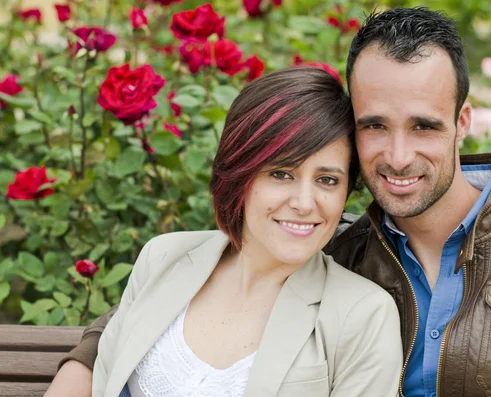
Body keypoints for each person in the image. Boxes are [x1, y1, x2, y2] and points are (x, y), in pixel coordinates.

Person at [49, 6, 491, 397]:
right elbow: (130, 323)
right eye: (374, 125)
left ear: (462, 124)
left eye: (425, 127)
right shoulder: (329, 243)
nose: (399, 155)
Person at [47, 67, 403, 397]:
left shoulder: (363, 315)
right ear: (241, 173)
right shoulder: (163, 258)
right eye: (281, 173)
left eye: (327, 180)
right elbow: (103, 354)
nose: (305, 202)